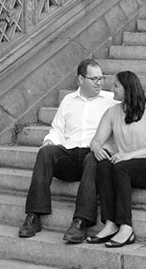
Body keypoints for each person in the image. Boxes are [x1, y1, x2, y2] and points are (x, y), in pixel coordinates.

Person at [18, 58, 120, 243]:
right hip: (71, 157)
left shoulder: (111, 101)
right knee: (45, 152)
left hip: (94, 156)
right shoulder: (68, 101)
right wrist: (49, 143)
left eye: (101, 78)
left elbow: (121, 131)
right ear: (81, 79)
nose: (100, 83)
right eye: (94, 79)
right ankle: (33, 216)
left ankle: (81, 222)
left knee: (92, 158)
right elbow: (57, 129)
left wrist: (106, 148)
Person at [87, 70, 146, 248]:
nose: (112, 89)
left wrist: (127, 156)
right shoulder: (112, 112)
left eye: (116, 85)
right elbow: (97, 140)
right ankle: (110, 224)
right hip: (127, 164)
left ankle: (126, 226)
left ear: (128, 88)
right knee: (103, 165)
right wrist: (96, 148)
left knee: (120, 167)